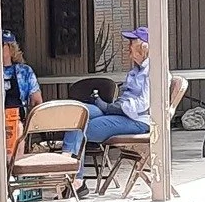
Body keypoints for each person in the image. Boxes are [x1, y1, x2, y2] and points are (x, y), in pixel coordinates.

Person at [64, 27, 150, 158]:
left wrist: (115, 108)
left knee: (80, 127)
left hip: (137, 119)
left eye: (131, 45)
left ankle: (69, 167)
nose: (128, 50)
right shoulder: (136, 70)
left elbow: (144, 104)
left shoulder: (154, 71)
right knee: (79, 112)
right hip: (123, 113)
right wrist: (106, 106)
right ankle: (68, 162)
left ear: (143, 49)